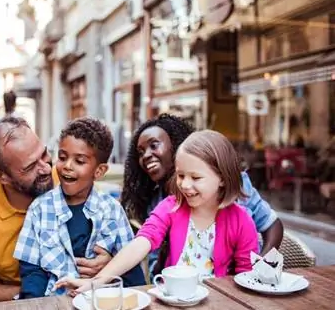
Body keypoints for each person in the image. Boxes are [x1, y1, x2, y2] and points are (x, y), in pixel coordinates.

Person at [55, 130, 259, 294]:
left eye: (196, 178)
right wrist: (97, 282)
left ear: (222, 177)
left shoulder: (241, 221)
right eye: (180, 175)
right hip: (171, 300)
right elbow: (141, 242)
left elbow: (245, 279)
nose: (185, 185)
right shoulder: (171, 206)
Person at [0, 117, 112, 305]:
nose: (46, 169)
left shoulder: (69, 177)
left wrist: (110, 261)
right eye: (30, 167)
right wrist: (33, 292)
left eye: (44, 154)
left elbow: (111, 224)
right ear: (0, 176)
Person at [121, 114, 283, 274]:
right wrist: (166, 256)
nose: (146, 155)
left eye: (154, 145)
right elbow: (152, 261)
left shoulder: (235, 186)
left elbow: (271, 224)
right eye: (140, 152)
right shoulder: (159, 204)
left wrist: (260, 266)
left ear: (177, 146)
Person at [14, 117, 145, 299]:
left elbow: (131, 270)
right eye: (62, 157)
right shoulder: (39, 210)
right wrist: (34, 303)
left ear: (99, 171)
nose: (67, 166)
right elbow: (32, 272)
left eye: (80, 161)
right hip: (55, 302)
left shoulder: (112, 211)